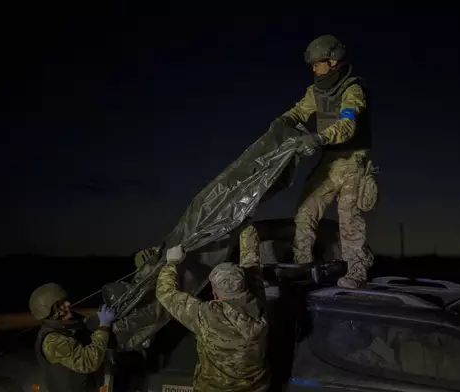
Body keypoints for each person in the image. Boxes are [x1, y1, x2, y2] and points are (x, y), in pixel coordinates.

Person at [275, 34, 376, 288]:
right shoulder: (317, 90)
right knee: (305, 211)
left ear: (332, 61)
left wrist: (319, 137)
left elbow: (347, 125)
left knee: (349, 220)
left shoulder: (353, 90)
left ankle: (357, 271)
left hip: (353, 162)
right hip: (330, 162)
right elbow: (299, 111)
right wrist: (282, 123)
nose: (313, 68)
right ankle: (302, 264)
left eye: (318, 62)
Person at [155, 224, 269, 392]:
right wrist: (246, 221)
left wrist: (172, 262)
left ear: (215, 293)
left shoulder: (207, 316)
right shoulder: (259, 304)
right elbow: (252, 262)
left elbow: (165, 292)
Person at [29, 282, 116, 392]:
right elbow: (89, 361)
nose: (68, 304)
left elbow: (85, 324)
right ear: (53, 312)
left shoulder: (66, 323)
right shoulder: (52, 341)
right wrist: (104, 326)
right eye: (61, 304)